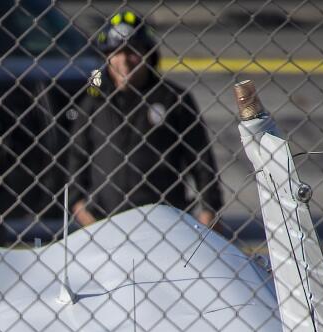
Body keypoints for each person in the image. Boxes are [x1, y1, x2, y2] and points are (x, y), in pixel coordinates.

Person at [68, 12, 223, 230]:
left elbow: (201, 159)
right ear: (107, 57)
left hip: (164, 222)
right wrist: (80, 208)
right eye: (117, 52)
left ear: (148, 54)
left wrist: (209, 209)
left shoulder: (172, 98)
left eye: (132, 52)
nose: (124, 61)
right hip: (104, 223)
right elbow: (77, 157)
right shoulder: (94, 101)